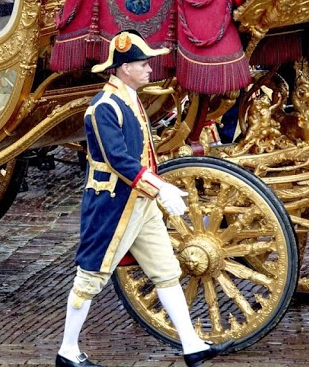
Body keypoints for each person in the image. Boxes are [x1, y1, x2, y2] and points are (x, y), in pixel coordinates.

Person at [55, 30, 230, 367]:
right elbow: (119, 159)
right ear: (123, 69)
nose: (150, 69)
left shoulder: (130, 98)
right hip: (111, 205)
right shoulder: (103, 107)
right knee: (90, 277)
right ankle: (67, 349)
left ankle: (192, 344)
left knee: (165, 271)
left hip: (140, 202)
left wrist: (156, 189)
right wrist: (160, 187)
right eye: (142, 64)